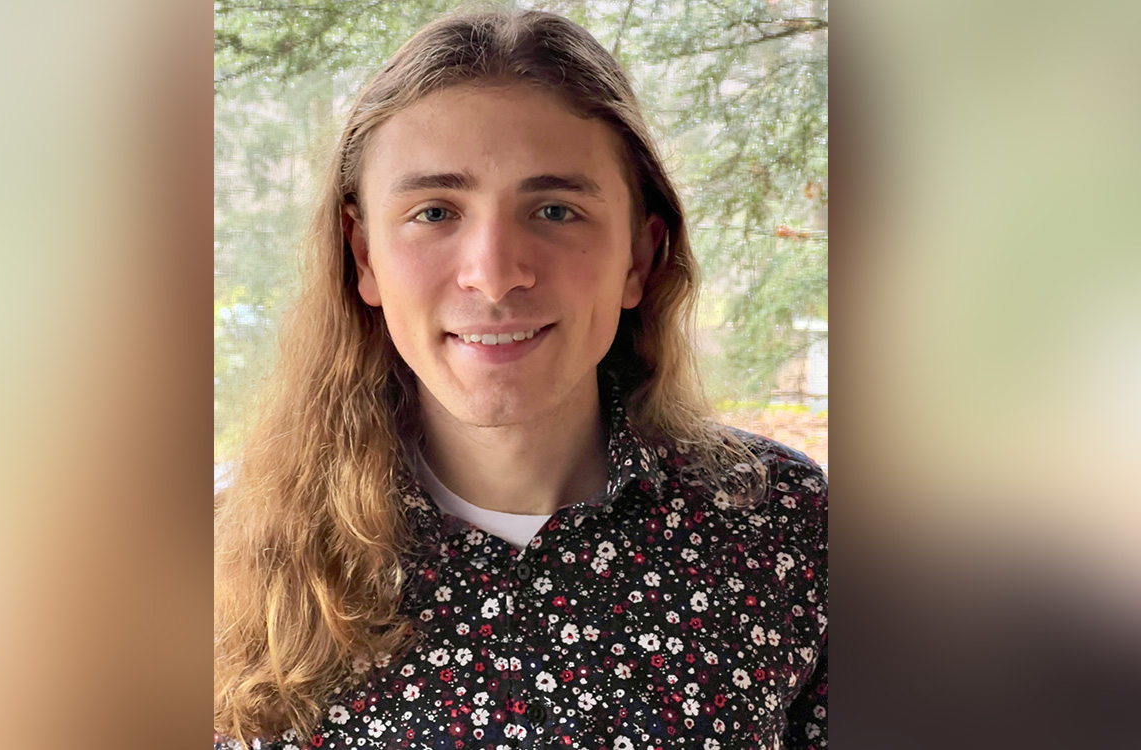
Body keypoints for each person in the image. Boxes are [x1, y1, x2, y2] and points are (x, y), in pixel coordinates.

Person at [214, 8, 827, 750]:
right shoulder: (214, 558)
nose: (496, 275)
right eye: (435, 211)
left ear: (640, 255)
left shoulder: (788, 528)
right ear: (363, 254)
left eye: (555, 210)